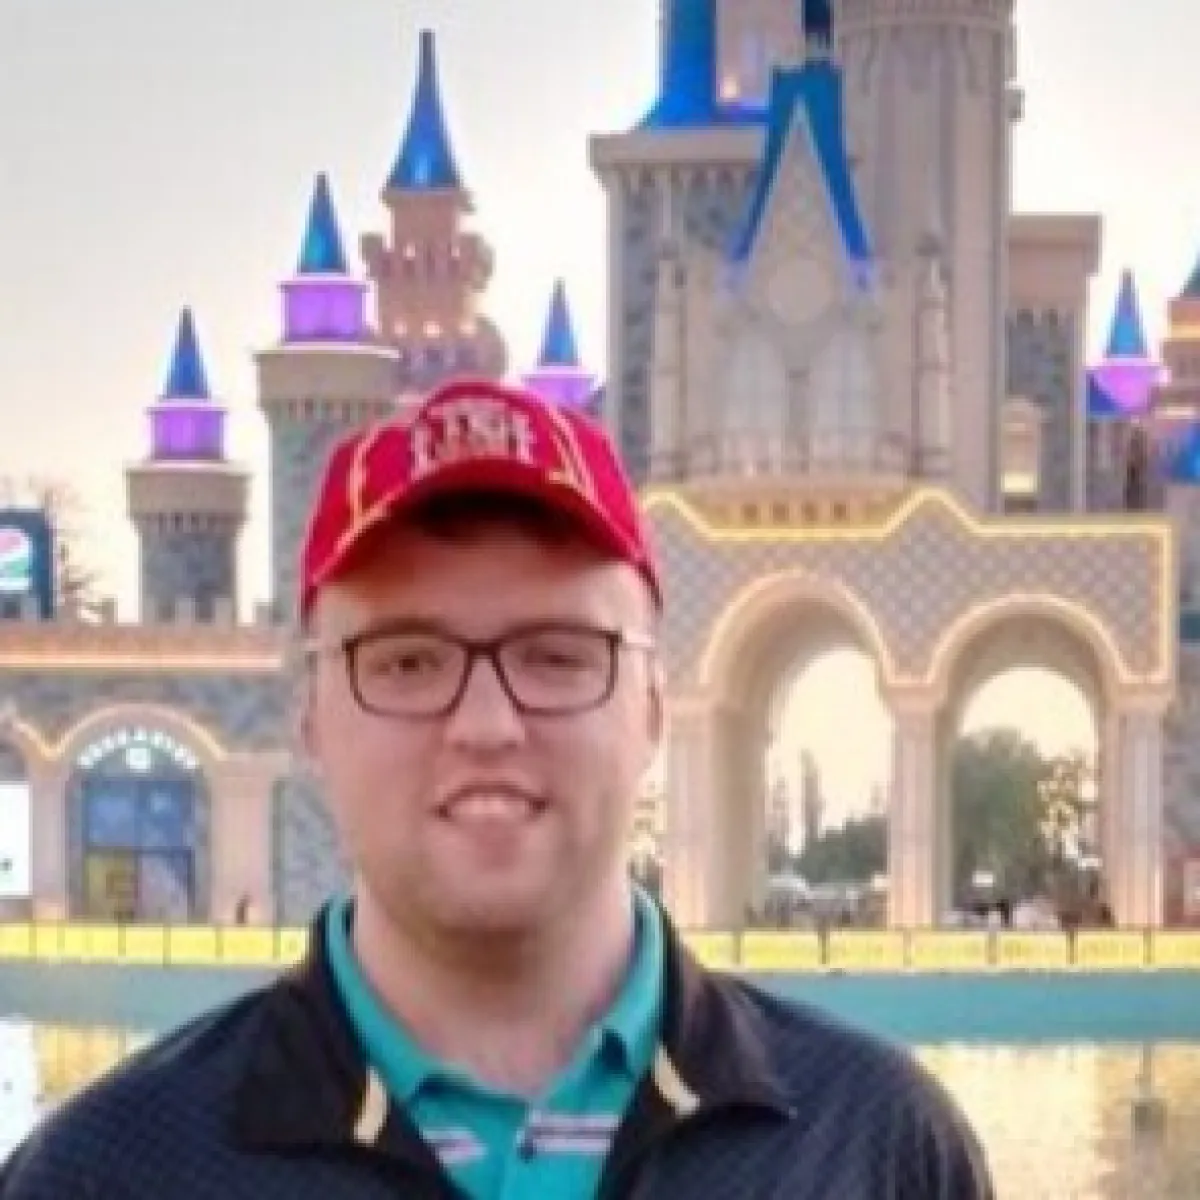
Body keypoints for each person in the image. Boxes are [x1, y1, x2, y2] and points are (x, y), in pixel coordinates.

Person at [1, 378, 993, 1197]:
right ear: (311, 719)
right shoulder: (109, 1174)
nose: (485, 725)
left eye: (557, 656)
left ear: (653, 707)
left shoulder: (876, 1149)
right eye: (406, 661)